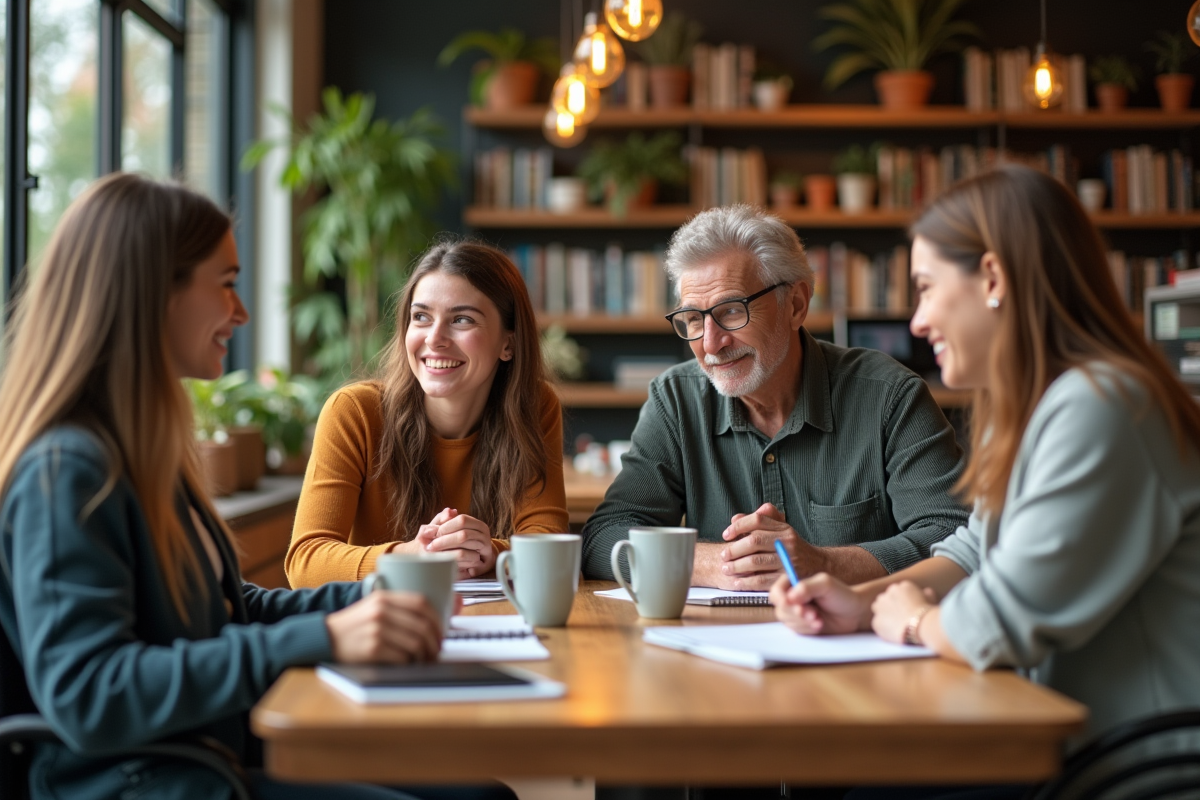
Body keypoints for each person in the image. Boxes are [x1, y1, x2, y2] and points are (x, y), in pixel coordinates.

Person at [0, 173, 513, 800]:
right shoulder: (67, 470)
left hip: (207, 752)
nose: (240, 312)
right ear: (154, 294)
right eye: (225, 284)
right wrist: (327, 636)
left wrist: (374, 598)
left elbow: (225, 611)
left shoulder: (138, 453)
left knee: (483, 795)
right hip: (146, 782)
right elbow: (89, 692)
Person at [771, 165, 1200, 760]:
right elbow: (976, 551)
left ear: (993, 277)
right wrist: (865, 604)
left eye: (925, 288)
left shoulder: (1104, 406)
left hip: (1137, 771)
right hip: (1056, 743)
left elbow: (1001, 622)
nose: (917, 321)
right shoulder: (1036, 405)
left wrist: (915, 622)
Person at [582, 204, 968, 589]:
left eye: (731, 311)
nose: (711, 344)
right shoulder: (676, 400)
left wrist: (824, 564)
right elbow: (604, 539)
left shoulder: (890, 397)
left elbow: (954, 537)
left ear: (796, 305)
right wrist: (719, 564)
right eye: (694, 319)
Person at [286, 241, 568, 588]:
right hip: (380, 618)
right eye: (421, 317)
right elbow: (305, 563)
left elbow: (550, 544)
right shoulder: (353, 413)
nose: (434, 339)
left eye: (461, 319)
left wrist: (490, 553)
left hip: (488, 618)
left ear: (508, 343)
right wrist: (411, 557)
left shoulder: (534, 406)